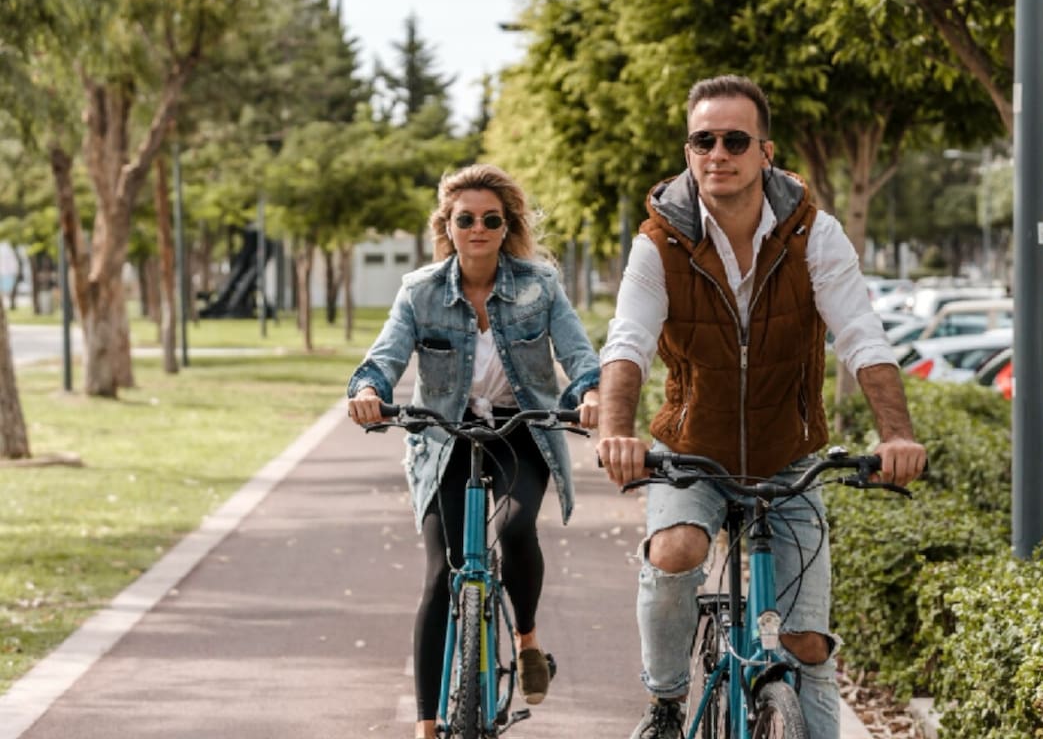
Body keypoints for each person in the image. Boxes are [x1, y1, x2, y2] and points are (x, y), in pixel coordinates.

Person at [595, 75, 926, 739]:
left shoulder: (815, 235)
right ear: (689, 150)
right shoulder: (658, 244)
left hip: (787, 457)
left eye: (735, 139)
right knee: (679, 549)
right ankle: (664, 702)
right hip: (692, 453)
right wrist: (615, 430)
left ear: (764, 152)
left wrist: (898, 434)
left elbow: (861, 333)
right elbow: (628, 339)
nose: (718, 152)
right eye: (703, 140)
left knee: (806, 647)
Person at [346, 163, 601, 739]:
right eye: (467, 219)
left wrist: (589, 393)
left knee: (514, 531)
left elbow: (581, 357)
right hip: (445, 436)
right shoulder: (420, 291)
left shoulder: (540, 286)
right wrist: (368, 391)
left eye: (491, 219)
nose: (479, 228)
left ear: (506, 225)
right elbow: (384, 358)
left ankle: (528, 638)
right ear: (449, 225)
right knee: (442, 575)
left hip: (523, 432)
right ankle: (428, 724)